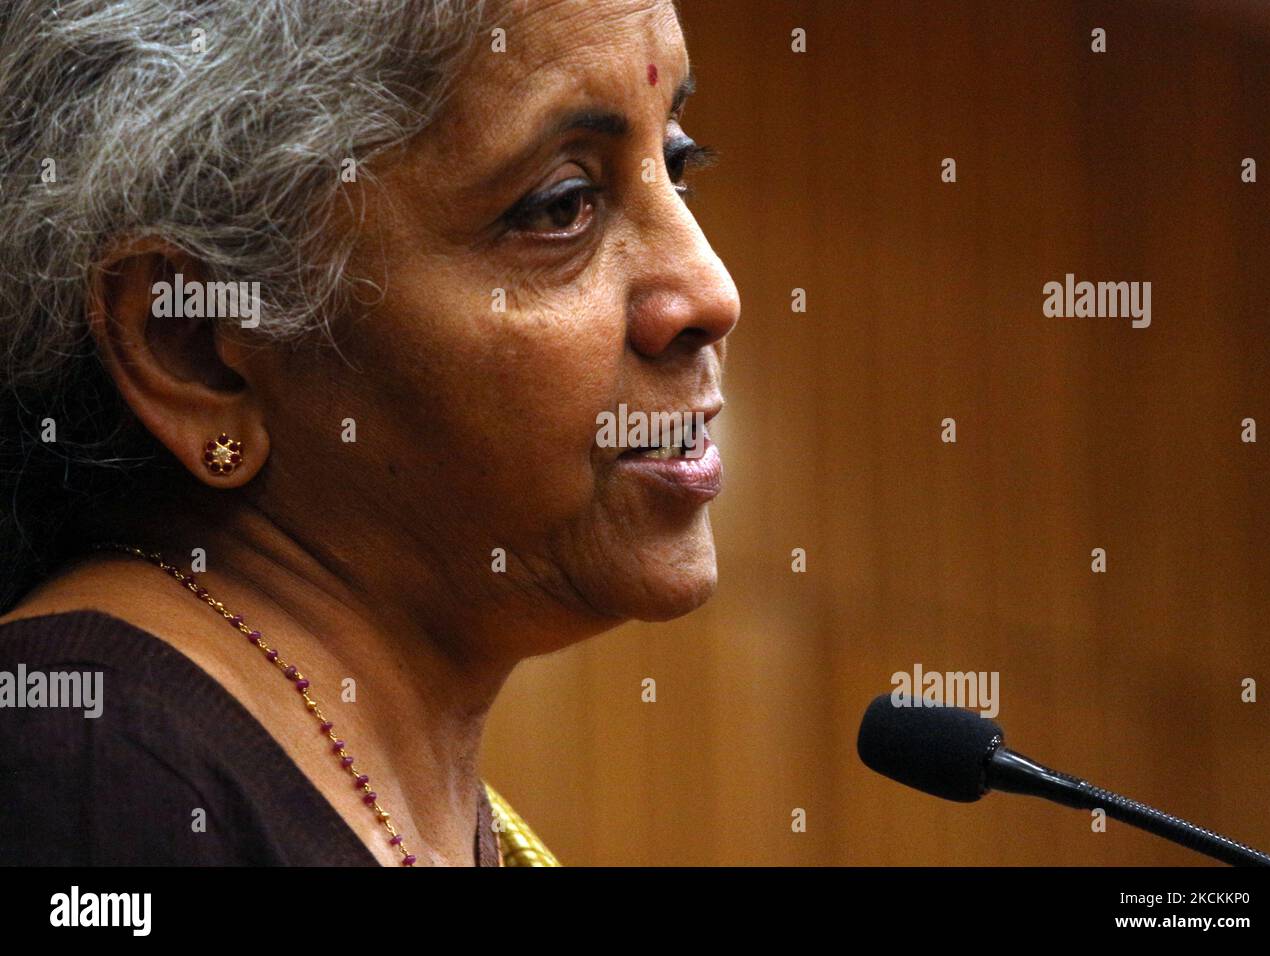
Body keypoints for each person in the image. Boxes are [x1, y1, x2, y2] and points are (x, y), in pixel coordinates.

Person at [0, 0, 740, 866]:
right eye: (561, 204)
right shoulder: (84, 768)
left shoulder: (403, 798)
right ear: (196, 346)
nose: (710, 293)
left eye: (678, 162)